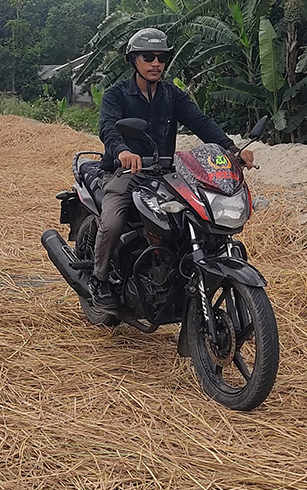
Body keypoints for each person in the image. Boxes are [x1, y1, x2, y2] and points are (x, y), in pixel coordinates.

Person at [90, 27, 255, 308]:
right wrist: (123, 152)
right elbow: (108, 128)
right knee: (114, 220)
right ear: (134, 60)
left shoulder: (173, 95)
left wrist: (233, 150)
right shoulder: (116, 94)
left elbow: (201, 123)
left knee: (193, 215)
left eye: (161, 57)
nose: (155, 63)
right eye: (148, 57)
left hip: (165, 173)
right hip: (125, 172)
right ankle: (100, 278)